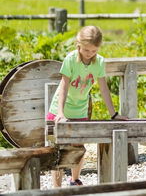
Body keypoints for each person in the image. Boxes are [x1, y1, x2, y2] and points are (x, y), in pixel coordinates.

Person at [47, 26, 127, 187]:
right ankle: (56, 188)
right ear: (79, 44)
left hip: (80, 111)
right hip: (59, 110)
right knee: (59, 151)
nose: (89, 53)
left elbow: (104, 88)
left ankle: (74, 180)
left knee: (79, 148)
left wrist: (113, 114)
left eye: (93, 50)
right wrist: (60, 113)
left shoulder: (99, 62)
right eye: (86, 50)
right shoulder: (70, 59)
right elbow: (64, 86)